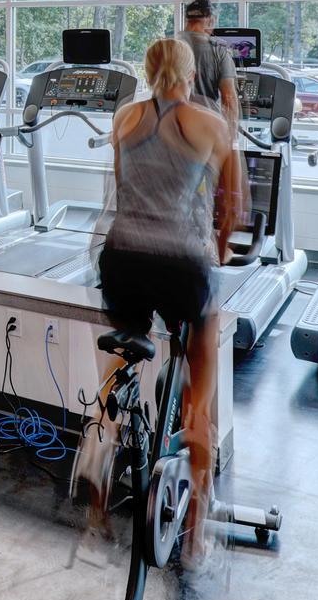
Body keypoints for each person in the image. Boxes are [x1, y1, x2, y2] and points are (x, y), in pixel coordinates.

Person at [84, 37, 234, 559]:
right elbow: (229, 211)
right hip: (180, 265)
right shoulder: (210, 125)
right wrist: (220, 247)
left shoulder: (125, 119)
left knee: (120, 363)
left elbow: (123, 193)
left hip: (121, 259)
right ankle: (199, 512)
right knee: (201, 360)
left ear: (148, 74)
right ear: (190, 76)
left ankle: (99, 449)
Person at [179, 0, 248, 260]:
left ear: (187, 18)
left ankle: (179, 244)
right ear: (211, 20)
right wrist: (231, 140)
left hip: (172, 130)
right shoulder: (218, 48)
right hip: (206, 134)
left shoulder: (169, 44)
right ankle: (211, 253)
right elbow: (229, 98)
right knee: (210, 195)